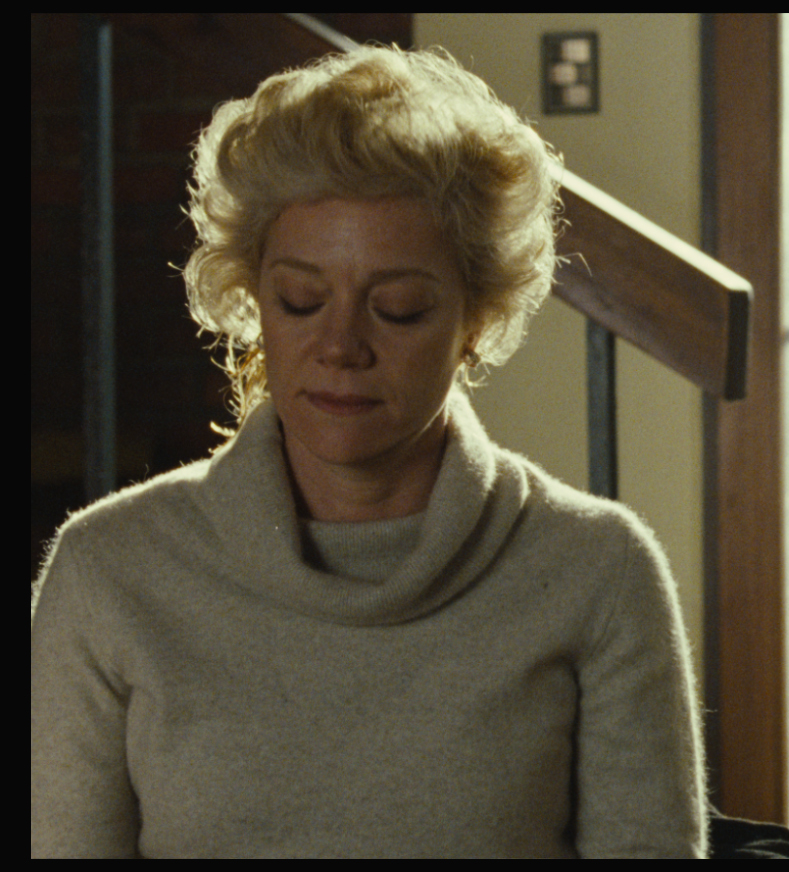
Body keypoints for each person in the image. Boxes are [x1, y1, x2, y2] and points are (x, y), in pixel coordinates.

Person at [30, 47, 706, 858]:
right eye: (301, 300)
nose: (341, 345)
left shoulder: (598, 572)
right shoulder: (108, 572)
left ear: (475, 322)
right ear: (253, 299)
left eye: (400, 308)